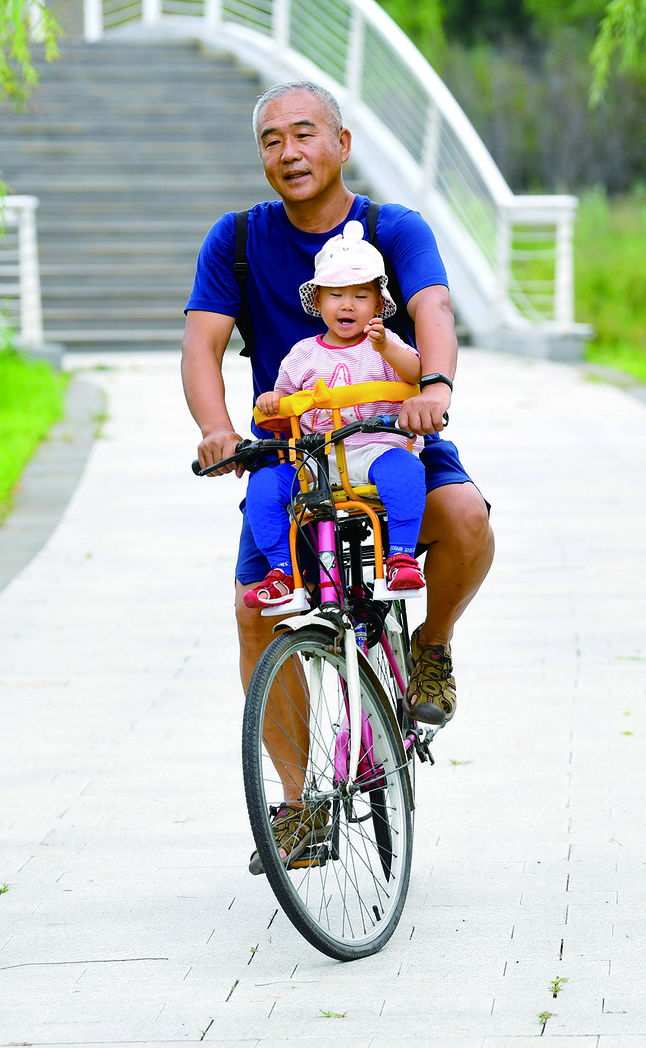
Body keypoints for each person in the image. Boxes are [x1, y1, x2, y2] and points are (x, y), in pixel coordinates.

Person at [182, 81, 495, 860]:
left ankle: (433, 646)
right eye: (271, 141)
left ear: (342, 144)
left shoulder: (394, 228)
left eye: (304, 134)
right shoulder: (239, 240)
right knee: (257, 611)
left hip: (390, 436)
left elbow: (433, 313)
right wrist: (218, 428)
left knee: (464, 520)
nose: (288, 153)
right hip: (295, 453)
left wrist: (435, 389)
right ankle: (300, 804)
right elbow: (202, 346)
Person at [244, 220, 427, 610]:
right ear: (319, 302)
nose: (347, 305)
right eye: (336, 295)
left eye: (361, 296)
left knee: (405, 471)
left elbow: (415, 372)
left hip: (374, 449)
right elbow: (281, 399)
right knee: (263, 486)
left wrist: (387, 349)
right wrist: (271, 401)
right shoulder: (303, 354)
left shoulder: (384, 343)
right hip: (315, 459)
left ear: (378, 305)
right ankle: (281, 570)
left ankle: (401, 557)